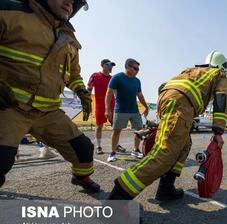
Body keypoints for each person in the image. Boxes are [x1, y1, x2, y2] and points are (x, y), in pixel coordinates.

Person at [0, 0, 100, 193]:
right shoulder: (10, 12)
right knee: (1, 158)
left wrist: (82, 91)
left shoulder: (69, 38)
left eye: (74, 1)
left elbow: (73, 74)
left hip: (48, 113)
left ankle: (81, 177)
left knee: (83, 150)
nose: (69, 2)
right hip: (9, 107)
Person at [107, 50, 227, 202]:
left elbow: (163, 87)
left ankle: (166, 189)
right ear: (222, 66)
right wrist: (218, 132)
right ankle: (116, 202)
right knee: (164, 154)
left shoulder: (191, 70)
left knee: (184, 144)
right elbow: (222, 99)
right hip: (181, 104)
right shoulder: (219, 75)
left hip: (168, 99)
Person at [105, 58, 149, 162]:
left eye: (138, 69)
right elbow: (109, 93)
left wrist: (146, 107)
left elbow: (140, 95)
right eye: (135, 68)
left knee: (139, 131)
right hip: (120, 110)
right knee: (116, 131)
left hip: (134, 111)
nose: (137, 71)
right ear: (127, 67)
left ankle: (136, 150)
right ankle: (112, 153)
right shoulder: (117, 77)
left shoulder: (137, 81)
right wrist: (107, 109)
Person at [87, 59, 127, 154]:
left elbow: (118, 92)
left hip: (113, 106)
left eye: (112, 66)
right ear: (103, 65)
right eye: (109, 65)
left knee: (116, 127)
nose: (111, 67)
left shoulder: (113, 78)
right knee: (99, 126)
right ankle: (99, 146)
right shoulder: (95, 75)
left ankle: (116, 145)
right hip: (100, 106)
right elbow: (89, 88)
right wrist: (87, 101)